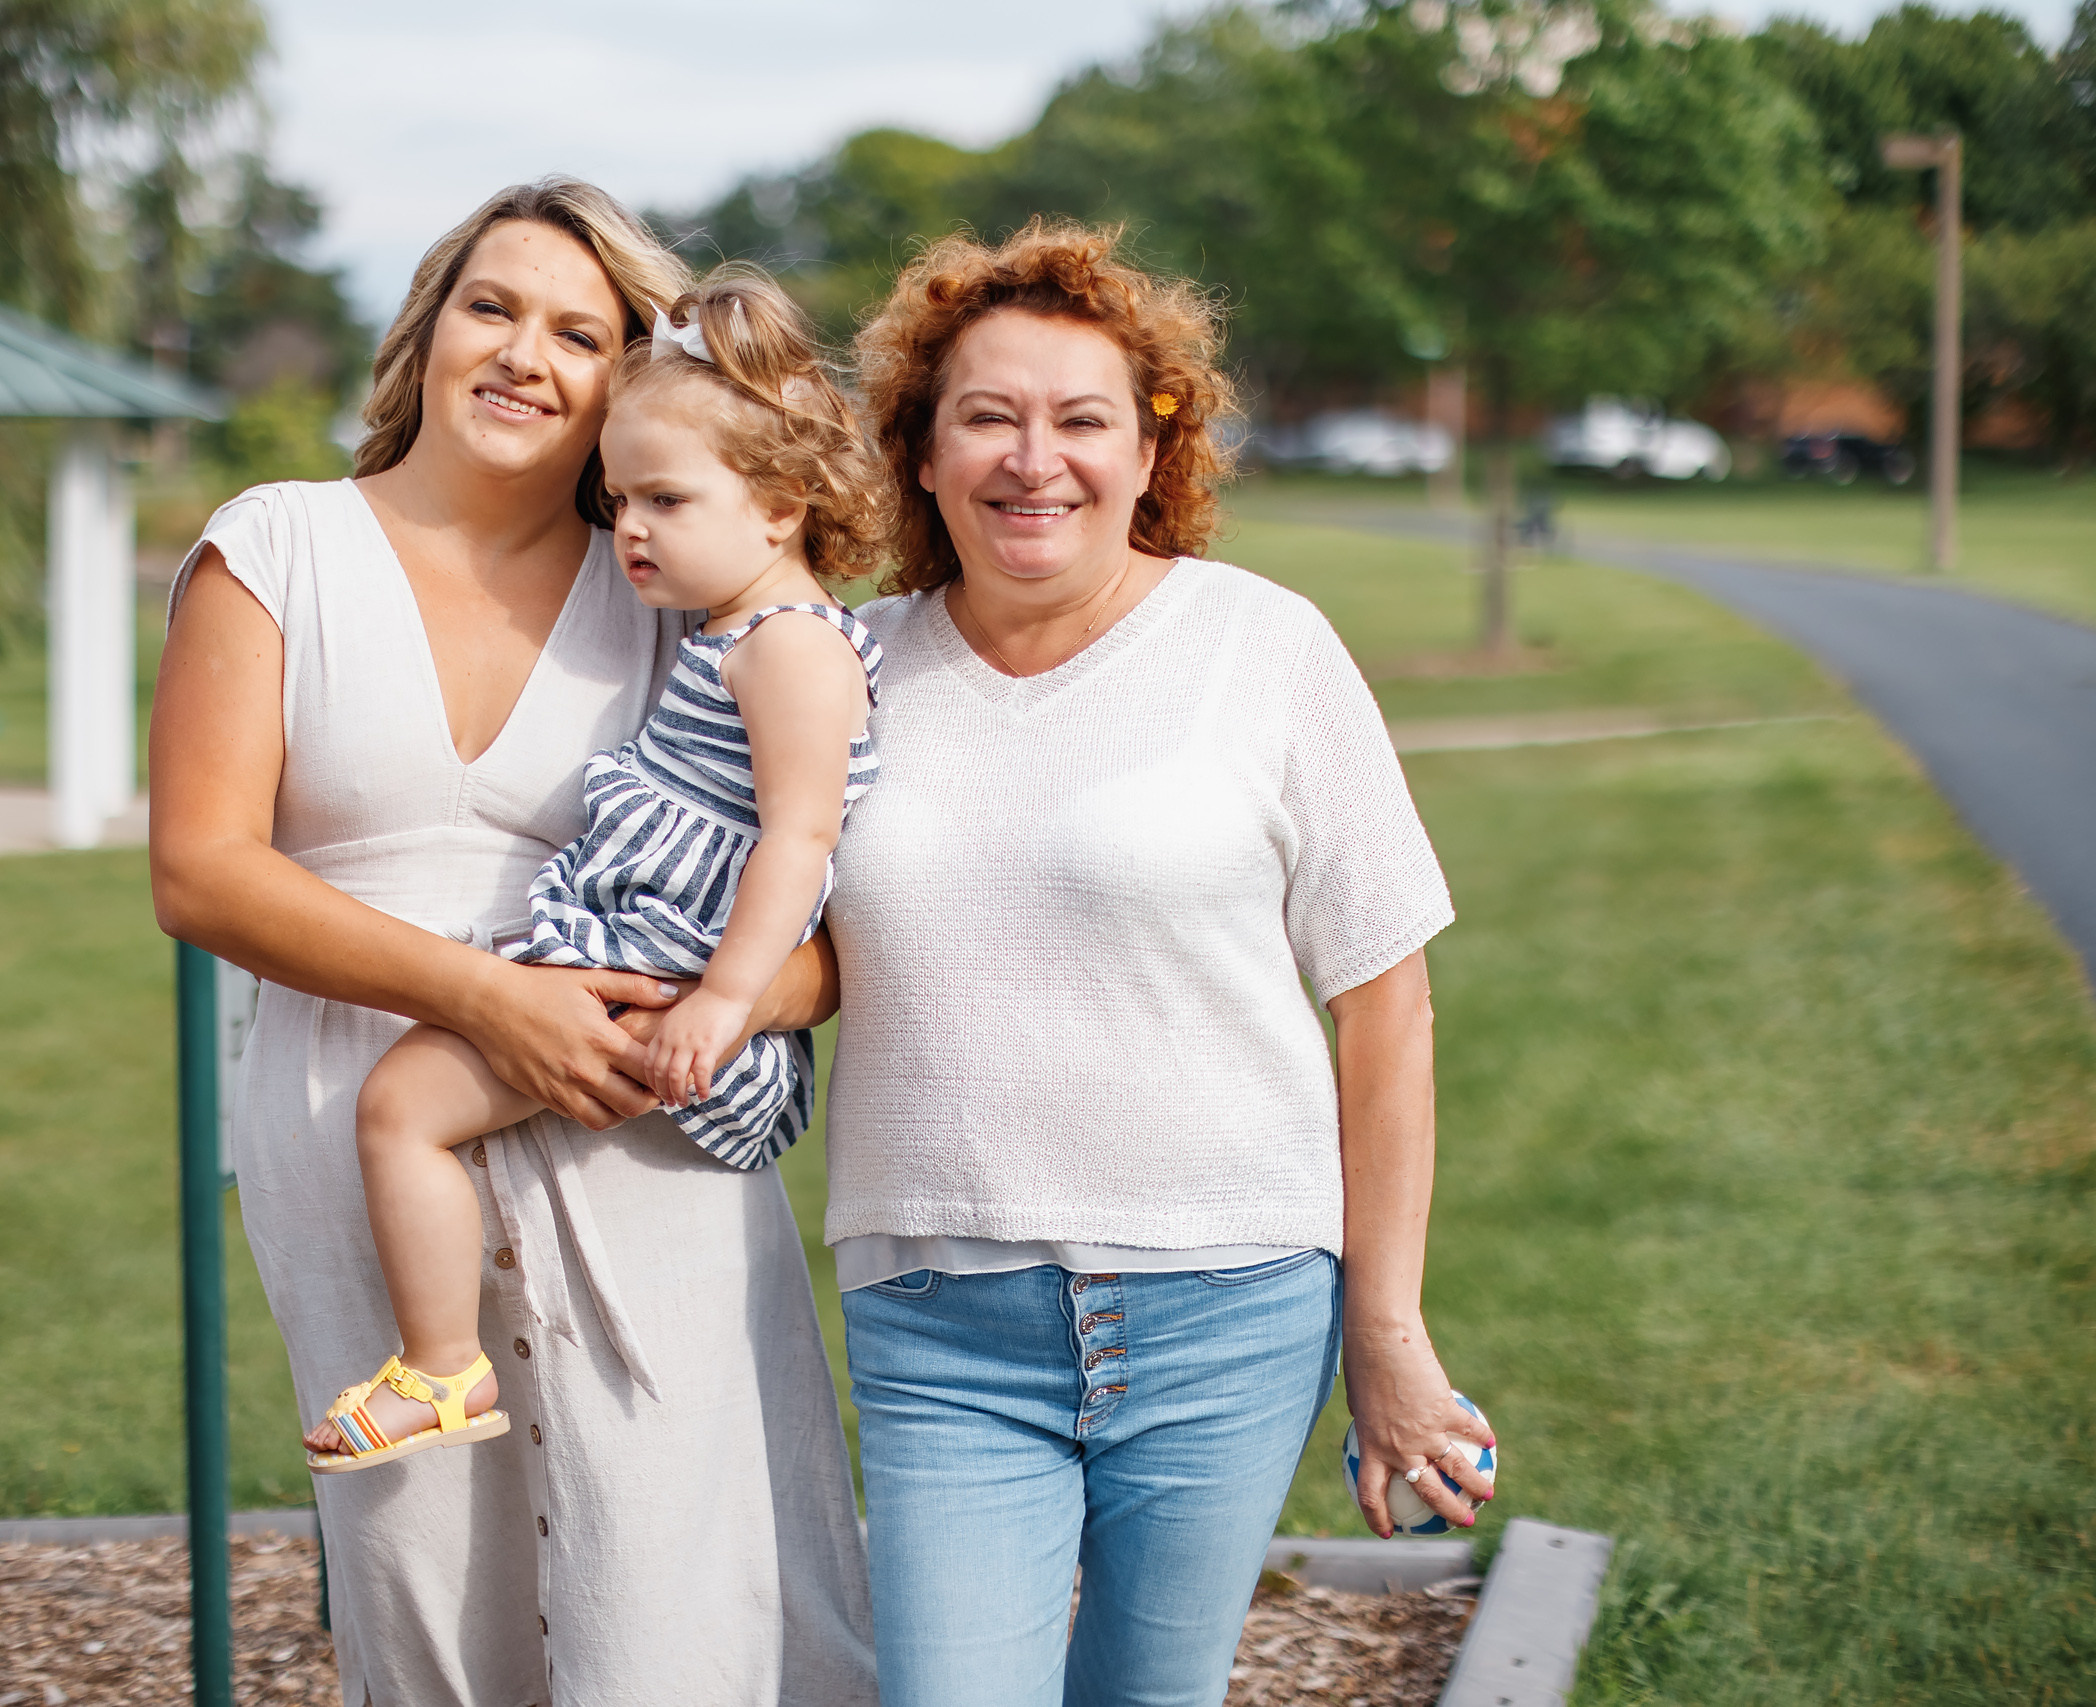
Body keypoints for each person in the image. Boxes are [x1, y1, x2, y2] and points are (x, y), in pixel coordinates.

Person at [148, 179, 874, 1707]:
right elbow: (202, 871)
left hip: (633, 1115)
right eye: (494, 306)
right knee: (430, 1591)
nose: (526, 353)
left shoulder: (678, 582)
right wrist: (489, 997)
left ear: (630, 379)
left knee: (687, 1570)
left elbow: (832, 906)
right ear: (427, 329)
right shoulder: (276, 545)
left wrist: (694, 1011)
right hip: (362, 1106)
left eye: (580, 330)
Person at [823, 222, 1496, 1707]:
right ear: (920, 450)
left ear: (1150, 449)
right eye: (986, 415)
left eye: (1081, 419)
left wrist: (1388, 1336)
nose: (1032, 458)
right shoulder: (839, 670)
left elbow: (1385, 1004)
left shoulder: (1264, 647)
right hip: (943, 1317)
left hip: (1230, 1305)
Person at [306, 269, 888, 1474]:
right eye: (619, 498)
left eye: (666, 500)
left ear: (779, 506)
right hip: (638, 949)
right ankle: (446, 1358)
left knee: (400, 1108)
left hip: (661, 967)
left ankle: (442, 1369)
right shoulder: (731, 630)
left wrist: (727, 998)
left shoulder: (792, 651)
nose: (630, 528)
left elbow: (800, 841)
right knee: (407, 1110)